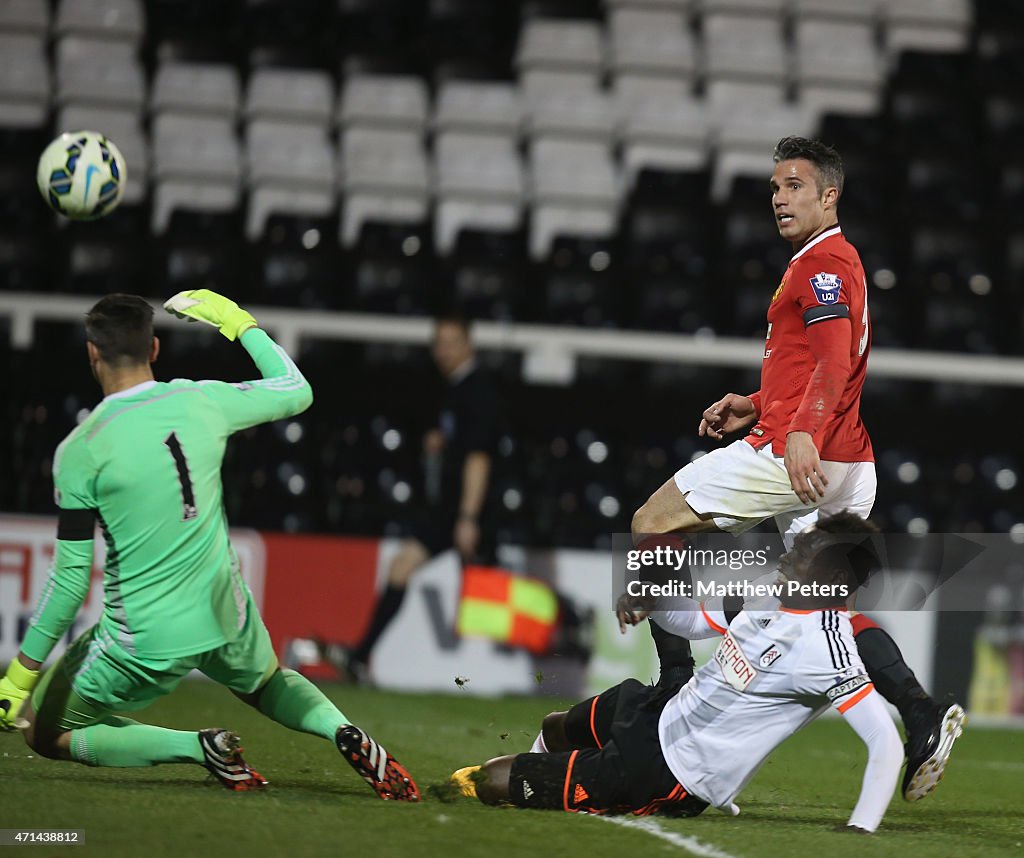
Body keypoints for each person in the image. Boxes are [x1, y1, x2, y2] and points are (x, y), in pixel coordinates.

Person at [629, 136, 963, 801]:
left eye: (794, 186)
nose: (780, 198)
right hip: (839, 455)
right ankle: (921, 714)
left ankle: (672, 683)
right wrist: (754, 404)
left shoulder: (822, 265)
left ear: (828, 195)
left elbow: (836, 365)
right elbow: (814, 365)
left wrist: (799, 430)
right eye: (775, 188)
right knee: (823, 615)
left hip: (797, 455)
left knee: (652, 521)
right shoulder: (834, 261)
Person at [0, 290, 418, 801]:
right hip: (225, 609)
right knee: (266, 683)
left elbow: (69, 581)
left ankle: (200, 747)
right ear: (154, 349)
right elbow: (296, 388)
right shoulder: (201, 399)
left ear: (92, 353)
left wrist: (19, 676)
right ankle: (341, 731)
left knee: (45, 732)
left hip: (144, 637)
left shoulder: (81, 450)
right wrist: (235, 321)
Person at [450, 513, 905, 833]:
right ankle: (548, 786)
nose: (789, 551)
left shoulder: (828, 650)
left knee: (494, 777)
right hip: (662, 713)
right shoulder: (770, 591)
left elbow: (884, 740)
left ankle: (513, 790)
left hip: (669, 772)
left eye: (805, 549)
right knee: (556, 725)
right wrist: (651, 601)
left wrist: (860, 828)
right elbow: (691, 621)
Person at [323, 316, 503, 683]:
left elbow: (479, 457)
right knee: (401, 567)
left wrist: (469, 518)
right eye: (439, 342)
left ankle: (568, 633)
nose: (443, 350)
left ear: (469, 345)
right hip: (448, 510)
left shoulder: (478, 390)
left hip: (474, 510)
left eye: (452, 341)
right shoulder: (454, 389)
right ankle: (360, 657)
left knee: (499, 595)